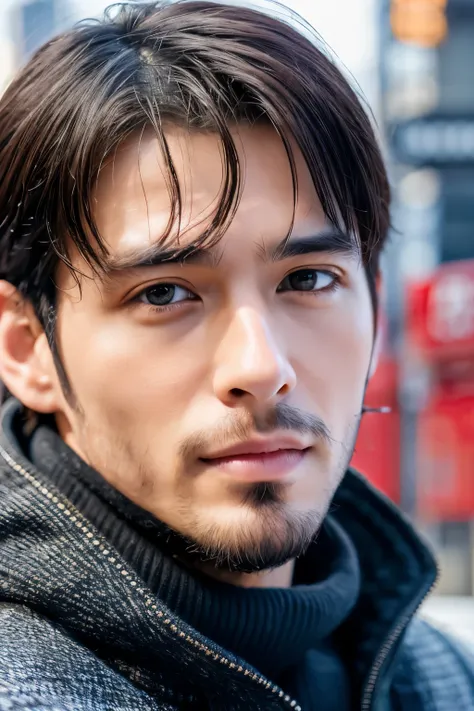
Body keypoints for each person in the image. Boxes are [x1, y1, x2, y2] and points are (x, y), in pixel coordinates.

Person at [0, 2, 472, 710]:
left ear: (373, 303)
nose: (259, 365)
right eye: (163, 293)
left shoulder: (442, 676)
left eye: (309, 279)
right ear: (26, 345)